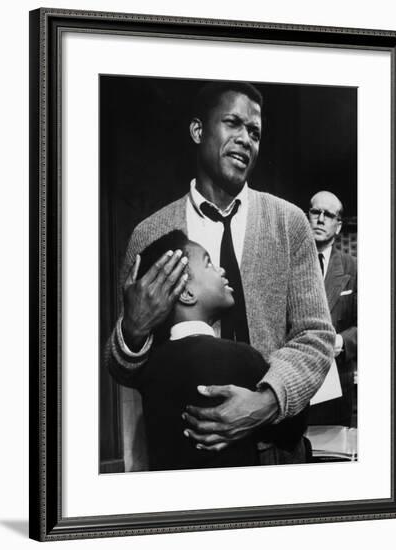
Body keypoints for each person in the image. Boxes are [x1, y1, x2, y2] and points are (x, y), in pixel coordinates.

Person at [105, 81, 335, 468]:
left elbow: (316, 337)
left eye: (255, 133)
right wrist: (133, 331)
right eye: (233, 123)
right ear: (198, 130)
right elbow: (124, 368)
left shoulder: (290, 223)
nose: (246, 139)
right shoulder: (151, 234)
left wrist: (266, 401)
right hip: (185, 458)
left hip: (276, 454)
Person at [137, 230, 309, 471]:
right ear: (186, 294)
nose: (222, 270)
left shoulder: (151, 366)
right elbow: (292, 428)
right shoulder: (242, 357)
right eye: (209, 264)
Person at [307, 191, 357, 427]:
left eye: (328, 215)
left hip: (336, 385)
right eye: (315, 212)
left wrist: (341, 341)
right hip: (295, 380)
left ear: (338, 227)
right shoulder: (287, 261)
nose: (320, 219)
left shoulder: (353, 268)